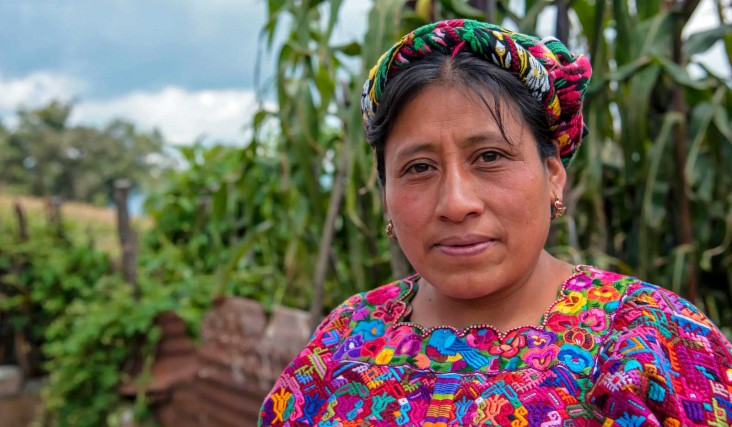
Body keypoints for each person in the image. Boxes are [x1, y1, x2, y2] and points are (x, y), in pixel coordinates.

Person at [259, 19, 732, 426]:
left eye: (489, 157)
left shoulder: (653, 343)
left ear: (553, 176)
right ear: (385, 193)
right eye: (419, 168)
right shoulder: (344, 341)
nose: (456, 203)